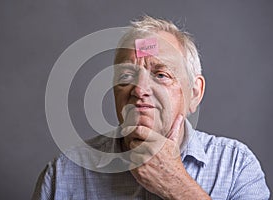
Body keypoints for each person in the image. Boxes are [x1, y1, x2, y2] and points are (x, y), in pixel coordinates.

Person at [32, 16, 270, 199]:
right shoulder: (63, 174)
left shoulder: (236, 166)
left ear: (194, 93)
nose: (139, 89)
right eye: (126, 75)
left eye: (161, 74)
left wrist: (178, 186)